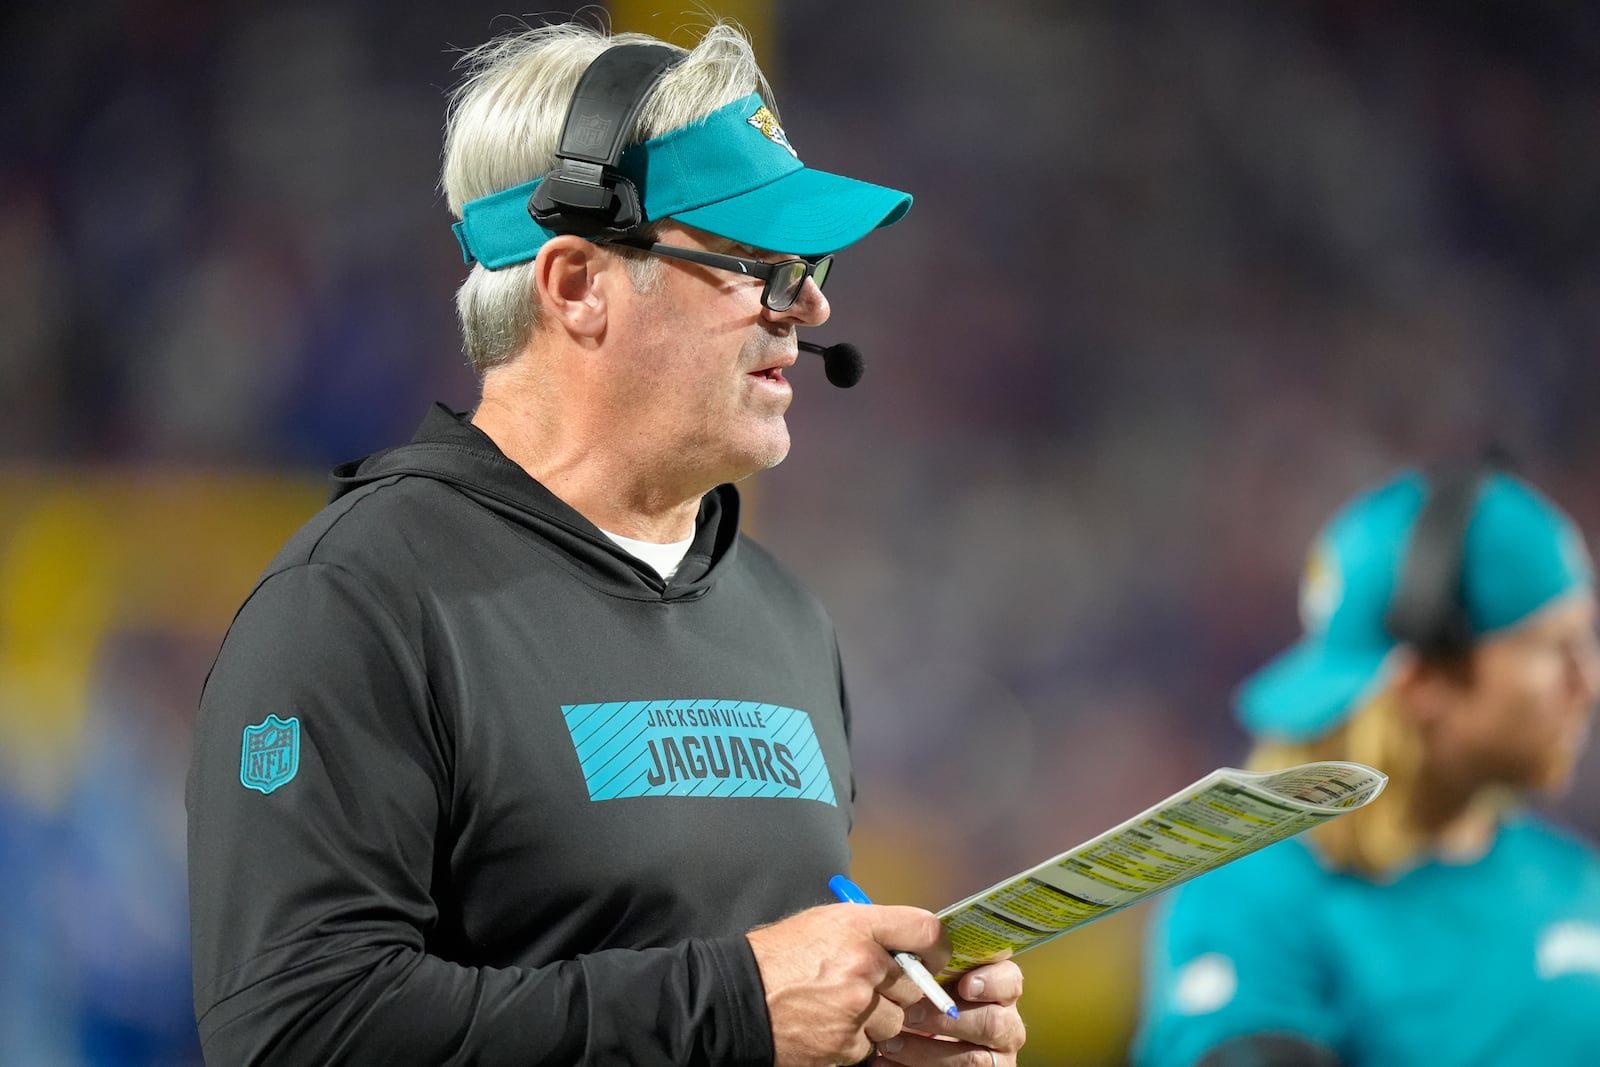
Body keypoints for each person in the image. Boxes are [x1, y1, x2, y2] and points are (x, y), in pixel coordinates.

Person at [185, 18, 1026, 1067]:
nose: (808, 304)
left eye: (802, 264)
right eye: (756, 262)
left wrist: (874, 1032)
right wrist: (735, 1006)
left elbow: (762, 1010)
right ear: (577, 284)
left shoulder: (781, 615)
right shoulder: (357, 602)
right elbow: (290, 1030)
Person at [1131, 462, 1600, 1066]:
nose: (1587, 682)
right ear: (1422, 685)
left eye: (1588, 638)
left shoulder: (1578, 883)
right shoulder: (1249, 900)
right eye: (1554, 647)